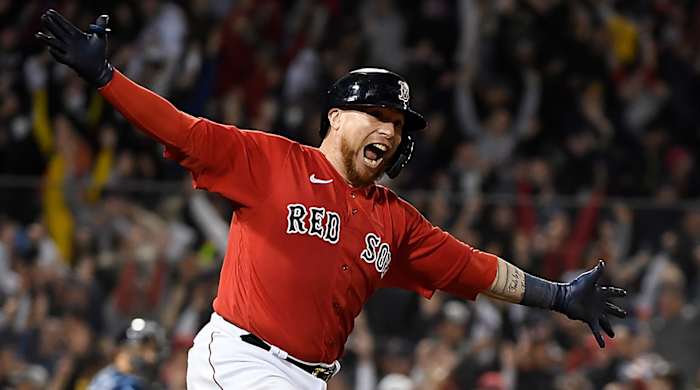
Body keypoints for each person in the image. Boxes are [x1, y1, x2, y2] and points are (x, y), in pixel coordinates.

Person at [36, 10, 628, 389]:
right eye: (377, 115)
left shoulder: (393, 220)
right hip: (245, 363)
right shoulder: (271, 161)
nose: (391, 132)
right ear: (337, 116)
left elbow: (471, 267)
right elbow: (180, 129)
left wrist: (557, 295)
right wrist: (107, 79)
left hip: (311, 380)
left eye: (399, 124)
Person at [87, 318, 168, 390]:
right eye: (144, 349)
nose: (151, 356)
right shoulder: (118, 382)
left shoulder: (109, 376)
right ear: (122, 350)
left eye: (153, 350)